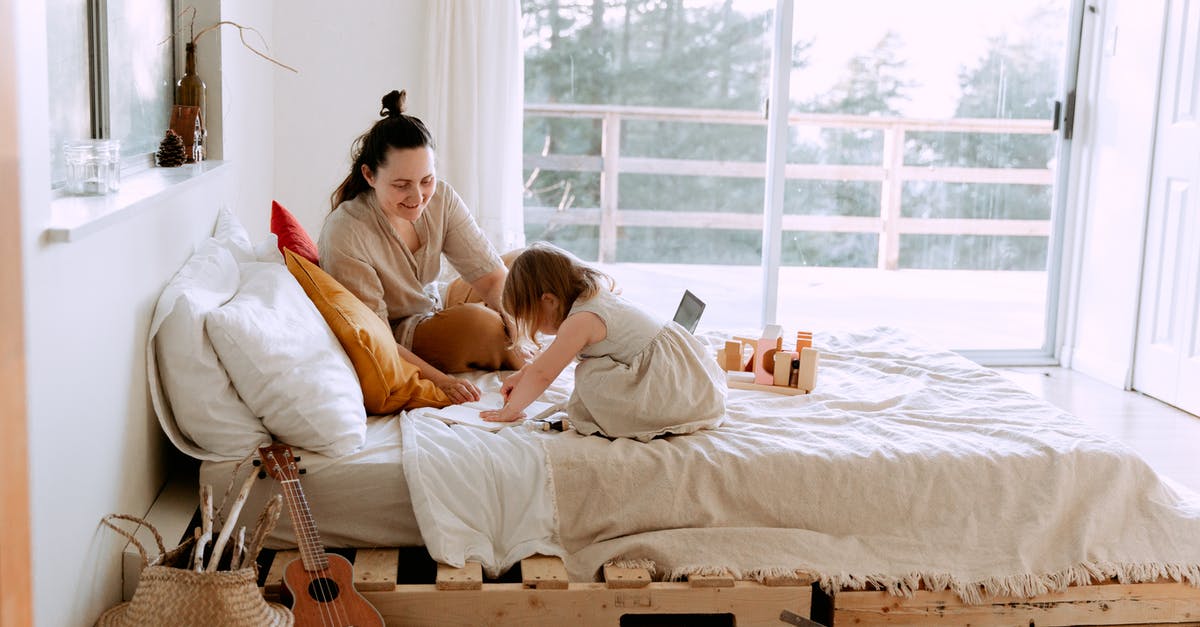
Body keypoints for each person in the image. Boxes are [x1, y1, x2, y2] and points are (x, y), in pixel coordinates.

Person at [319, 89, 524, 404]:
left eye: (426, 180)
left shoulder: (441, 197)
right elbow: (376, 338)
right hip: (402, 333)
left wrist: (517, 330)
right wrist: (441, 382)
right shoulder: (345, 232)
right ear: (369, 175)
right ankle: (539, 329)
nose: (417, 197)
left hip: (436, 302)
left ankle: (577, 316)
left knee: (530, 266)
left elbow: (492, 277)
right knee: (481, 324)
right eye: (401, 186)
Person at [480, 242, 726, 441]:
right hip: (688, 380)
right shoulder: (593, 296)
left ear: (549, 301)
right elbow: (545, 362)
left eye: (531, 319)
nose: (537, 328)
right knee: (593, 370)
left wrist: (510, 411)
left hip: (669, 388)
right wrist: (523, 375)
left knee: (589, 376)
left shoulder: (582, 319)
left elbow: (545, 372)